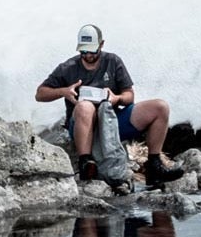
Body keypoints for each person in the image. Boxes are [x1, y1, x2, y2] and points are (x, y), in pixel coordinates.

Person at [34, 23, 184, 186]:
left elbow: (129, 95)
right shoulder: (68, 68)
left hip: (111, 122)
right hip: (82, 124)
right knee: (85, 106)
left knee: (160, 107)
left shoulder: (113, 62)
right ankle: (86, 163)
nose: (88, 55)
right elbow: (40, 93)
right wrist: (64, 91)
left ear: (101, 44)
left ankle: (154, 166)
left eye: (92, 50)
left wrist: (116, 98)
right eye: (83, 51)